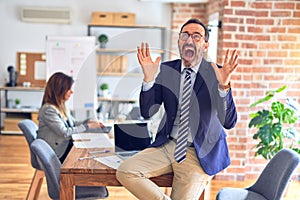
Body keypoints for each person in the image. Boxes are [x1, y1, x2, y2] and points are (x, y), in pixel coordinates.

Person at [116, 18, 238, 200]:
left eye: (197, 36)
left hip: (199, 153)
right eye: (185, 35)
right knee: (126, 171)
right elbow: (148, 112)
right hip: (167, 145)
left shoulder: (217, 73)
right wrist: (149, 79)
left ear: (205, 45)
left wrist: (224, 86)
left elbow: (229, 122)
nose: (189, 40)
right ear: (179, 41)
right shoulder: (167, 69)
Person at [37, 72, 104, 163]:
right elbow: (64, 132)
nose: (72, 92)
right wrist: (87, 126)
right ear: (60, 90)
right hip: (56, 152)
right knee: (89, 157)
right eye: (69, 89)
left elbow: (73, 123)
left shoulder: (61, 105)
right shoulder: (49, 110)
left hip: (64, 146)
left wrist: (88, 122)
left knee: (93, 152)